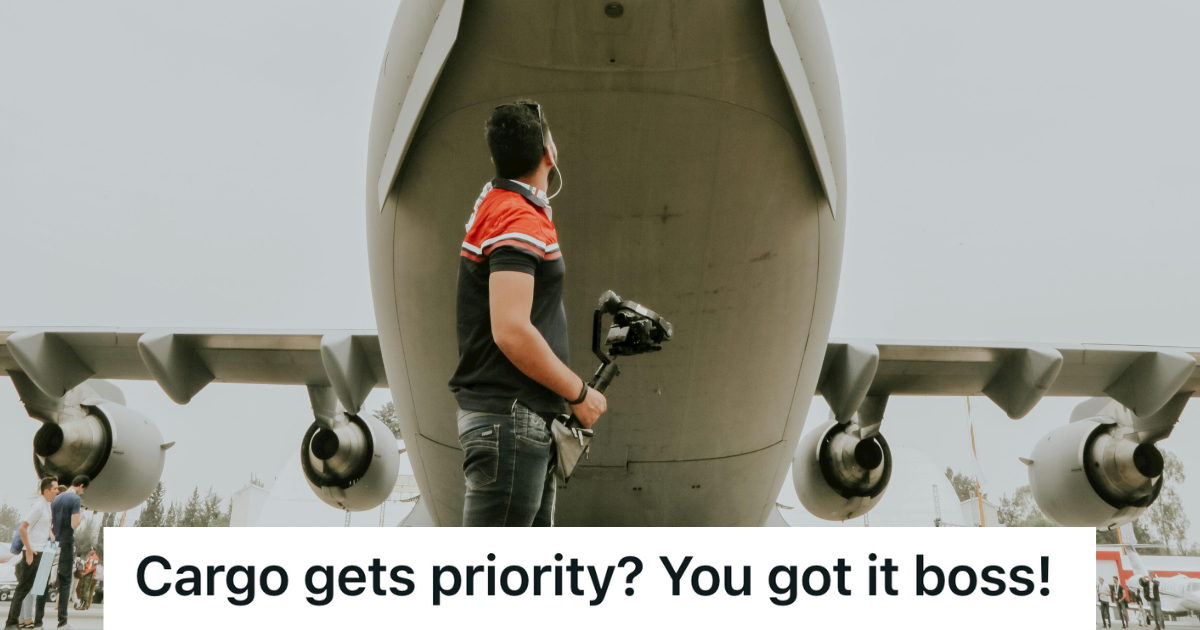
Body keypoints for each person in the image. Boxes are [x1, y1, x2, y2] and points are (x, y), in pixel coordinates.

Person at [450, 101, 606, 526]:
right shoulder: (517, 216)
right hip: (512, 421)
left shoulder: (502, 207)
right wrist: (579, 394)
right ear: (548, 152)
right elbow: (512, 330)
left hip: (518, 422)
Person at [4, 478, 58, 630]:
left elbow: (43, 528)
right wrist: (28, 550)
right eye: (55, 488)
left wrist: (50, 535)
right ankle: (11, 623)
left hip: (43, 553)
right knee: (22, 589)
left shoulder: (48, 506)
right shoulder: (39, 506)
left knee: (35, 589)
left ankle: (25, 621)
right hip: (33, 553)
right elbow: (23, 528)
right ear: (46, 490)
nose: (57, 491)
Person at [50, 475, 88, 629]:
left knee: (47, 581)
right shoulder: (75, 500)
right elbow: (74, 524)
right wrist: (81, 516)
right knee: (65, 583)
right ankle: (62, 622)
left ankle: (37, 621)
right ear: (81, 486)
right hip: (66, 542)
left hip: (53, 542)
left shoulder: (57, 499)